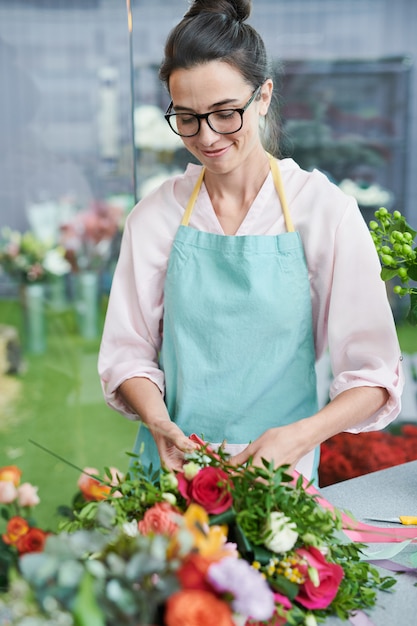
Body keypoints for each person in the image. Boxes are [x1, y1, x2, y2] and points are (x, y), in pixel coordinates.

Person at [98, 0, 403, 483]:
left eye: (224, 113)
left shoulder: (323, 212)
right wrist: (158, 422)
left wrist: (302, 435)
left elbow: (373, 375)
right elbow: (127, 353)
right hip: (175, 477)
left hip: (281, 483)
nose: (208, 136)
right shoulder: (155, 216)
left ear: (263, 96)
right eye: (187, 118)